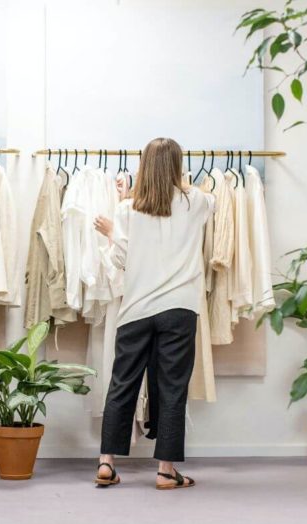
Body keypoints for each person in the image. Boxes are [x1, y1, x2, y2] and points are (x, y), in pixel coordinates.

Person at [92, 137, 214, 490]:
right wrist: (178, 181)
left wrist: (116, 231)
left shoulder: (127, 210)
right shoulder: (197, 202)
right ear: (178, 167)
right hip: (179, 308)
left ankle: (106, 464)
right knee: (172, 389)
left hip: (136, 309)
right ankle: (165, 471)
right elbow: (208, 200)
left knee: (122, 384)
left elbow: (121, 260)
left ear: (142, 166)